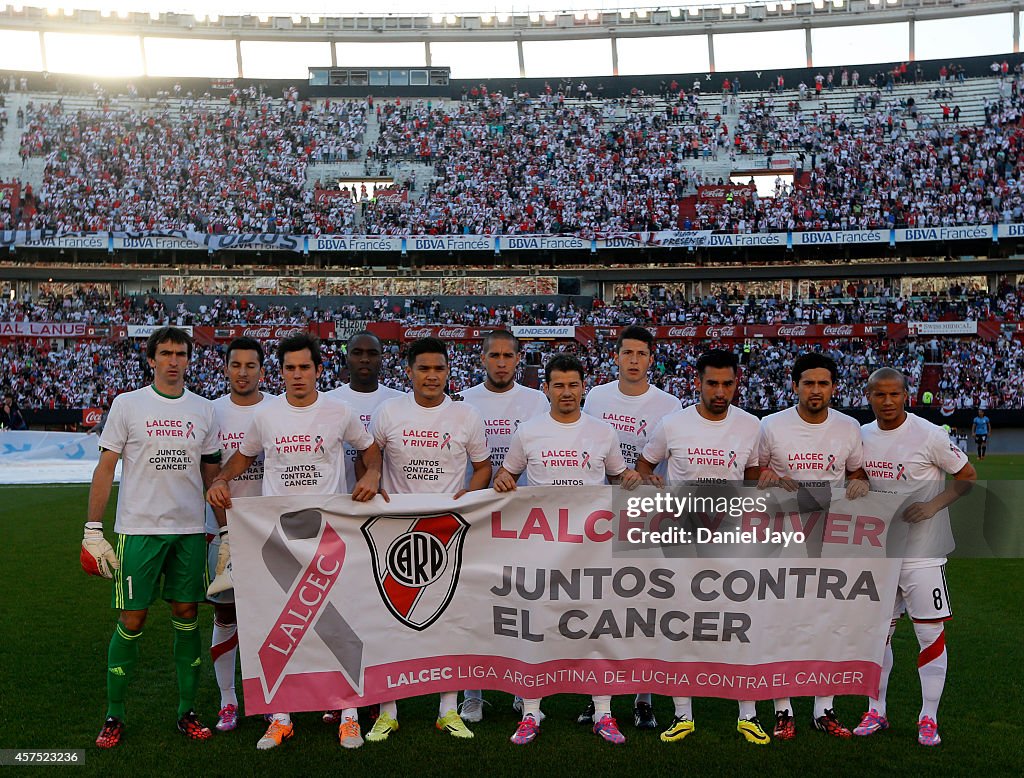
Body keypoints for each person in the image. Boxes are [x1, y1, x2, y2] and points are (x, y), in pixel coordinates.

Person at [207, 332, 383, 751]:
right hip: (280, 537)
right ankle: (281, 717)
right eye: (290, 368)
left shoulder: (340, 412)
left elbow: (369, 450)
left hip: (330, 533)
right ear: (280, 373)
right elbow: (244, 456)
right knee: (281, 627)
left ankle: (349, 715)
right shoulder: (267, 416)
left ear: (319, 371)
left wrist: (372, 474)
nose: (298, 375)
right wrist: (221, 478)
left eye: (305, 367)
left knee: (340, 625)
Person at [83, 326, 222, 749]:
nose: (174, 361)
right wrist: (92, 528)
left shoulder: (204, 410)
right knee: (132, 619)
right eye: (165, 353)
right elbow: (106, 468)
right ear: (151, 359)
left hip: (188, 533)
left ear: (188, 359)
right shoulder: (128, 405)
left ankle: (187, 711)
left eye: (181, 353)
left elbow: (211, 473)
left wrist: (226, 528)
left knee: (187, 615)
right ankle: (114, 714)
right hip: (139, 531)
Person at [494, 353, 642, 746]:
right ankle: (530, 713)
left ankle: (603, 713)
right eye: (557, 385)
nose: (566, 392)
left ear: (583, 387)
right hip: (542, 549)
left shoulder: (602, 431)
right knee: (537, 627)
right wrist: (504, 481)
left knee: (596, 629)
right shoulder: (528, 431)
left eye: (573, 385)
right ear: (545, 389)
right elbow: (505, 474)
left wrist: (632, 479)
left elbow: (617, 475)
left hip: (591, 550)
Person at [636, 349, 769, 745]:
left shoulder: (751, 426)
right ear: (697, 382)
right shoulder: (671, 424)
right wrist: (652, 489)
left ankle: (748, 714)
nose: (720, 391)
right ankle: (682, 716)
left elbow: (752, 477)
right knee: (681, 625)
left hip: (731, 539)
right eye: (712, 383)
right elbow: (644, 467)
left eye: (728, 384)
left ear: (736, 384)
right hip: (680, 539)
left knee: (741, 625)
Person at [366, 336, 492, 742]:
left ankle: (447, 709)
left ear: (448, 372)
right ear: (409, 372)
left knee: (450, 622)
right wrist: (371, 481)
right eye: (424, 369)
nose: (432, 376)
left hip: (447, 530)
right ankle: (388, 711)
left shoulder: (466, 415)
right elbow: (369, 457)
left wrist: (467, 501)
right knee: (389, 622)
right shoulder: (388, 412)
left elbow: (483, 467)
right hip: (394, 530)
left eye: (439, 368)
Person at [856, 367, 976, 746]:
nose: (887, 401)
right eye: (879, 394)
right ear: (869, 396)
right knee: (877, 637)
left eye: (894, 394)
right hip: (879, 554)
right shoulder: (861, 436)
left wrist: (933, 506)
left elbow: (967, 476)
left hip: (924, 554)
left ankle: (928, 717)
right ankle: (877, 710)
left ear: (907, 395)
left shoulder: (929, 434)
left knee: (930, 634)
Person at [756, 352, 869, 740]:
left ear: (834, 387)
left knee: (829, 624)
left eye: (823, 383)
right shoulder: (770, 426)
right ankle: (783, 709)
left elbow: (856, 471)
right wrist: (768, 477)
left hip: (832, 540)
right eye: (808, 383)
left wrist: (861, 482)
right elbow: (754, 472)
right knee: (782, 624)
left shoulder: (850, 427)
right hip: (781, 539)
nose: (816, 390)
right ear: (795, 386)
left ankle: (824, 708)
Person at [581, 324, 682, 730]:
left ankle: (643, 698)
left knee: (646, 608)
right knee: (598, 608)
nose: (634, 361)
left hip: (647, 516)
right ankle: (596, 697)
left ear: (651, 358)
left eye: (642, 354)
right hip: (600, 514)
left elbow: (661, 459)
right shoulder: (598, 397)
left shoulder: (669, 402)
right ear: (616, 356)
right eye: (627, 353)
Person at [458, 329, 548, 722]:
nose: (500, 362)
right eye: (493, 355)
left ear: (517, 359)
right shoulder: (464, 400)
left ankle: (521, 687)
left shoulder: (536, 401)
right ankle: (472, 693)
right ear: (481, 358)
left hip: (523, 516)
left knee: (522, 605)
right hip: (477, 514)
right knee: (472, 603)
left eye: (507, 356)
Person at [321, 329, 404, 726]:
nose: (365, 359)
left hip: (386, 518)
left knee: (375, 608)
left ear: (383, 357)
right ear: (346, 356)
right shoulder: (331, 401)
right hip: (338, 514)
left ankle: (375, 691)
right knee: (336, 609)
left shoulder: (396, 402)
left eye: (373, 353)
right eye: (358, 352)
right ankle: (336, 688)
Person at [205, 337, 272, 734]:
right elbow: (207, 474)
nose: (243, 372)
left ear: (262, 371)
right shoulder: (211, 412)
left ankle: (268, 699)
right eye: (236, 365)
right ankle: (228, 700)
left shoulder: (278, 409)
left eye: (251, 365)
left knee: (269, 617)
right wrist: (220, 527)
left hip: (269, 531)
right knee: (225, 613)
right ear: (227, 369)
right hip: (224, 530)